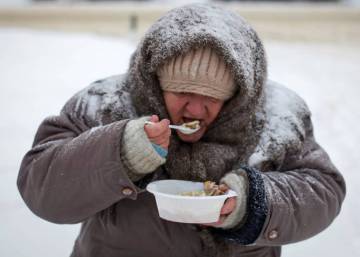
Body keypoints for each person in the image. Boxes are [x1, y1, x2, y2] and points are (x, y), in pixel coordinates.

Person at [17, 3, 346, 257]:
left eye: (212, 98)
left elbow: (322, 189)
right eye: (181, 92)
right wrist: (119, 154)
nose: (194, 110)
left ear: (239, 95)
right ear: (155, 83)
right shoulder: (105, 103)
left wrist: (252, 203)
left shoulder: (278, 114)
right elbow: (41, 188)